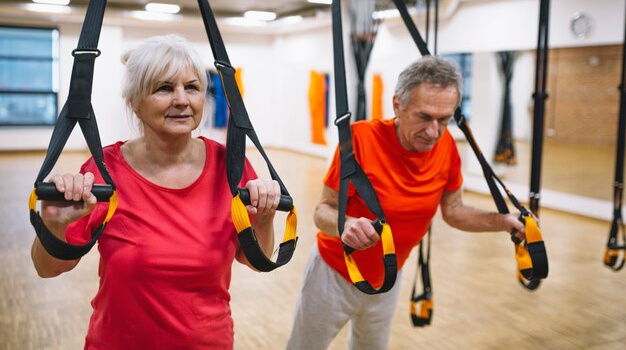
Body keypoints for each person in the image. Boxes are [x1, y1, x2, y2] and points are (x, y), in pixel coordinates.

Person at [31, 34, 281, 350]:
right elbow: (47, 268)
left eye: (192, 87)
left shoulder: (230, 167)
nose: (181, 99)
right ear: (135, 102)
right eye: (164, 88)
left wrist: (265, 217)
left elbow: (256, 260)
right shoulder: (103, 171)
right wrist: (54, 226)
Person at [284, 55, 527, 350]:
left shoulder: (447, 147)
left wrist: (504, 222)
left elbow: (454, 211)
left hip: (388, 275)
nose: (433, 132)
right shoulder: (360, 138)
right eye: (424, 117)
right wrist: (346, 225)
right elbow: (323, 211)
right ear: (398, 104)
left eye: (444, 120)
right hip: (333, 273)